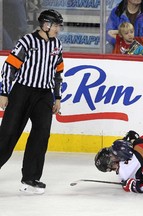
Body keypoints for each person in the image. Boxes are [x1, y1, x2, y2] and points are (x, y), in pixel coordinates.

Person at [0, 9, 64, 195]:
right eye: (56, 25)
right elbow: (9, 67)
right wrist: (4, 92)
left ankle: (30, 178)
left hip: (44, 94)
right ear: (46, 25)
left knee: (42, 134)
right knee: (8, 134)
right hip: (22, 92)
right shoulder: (27, 41)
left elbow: (58, 73)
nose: (58, 29)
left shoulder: (57, 45)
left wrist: (57, 97)